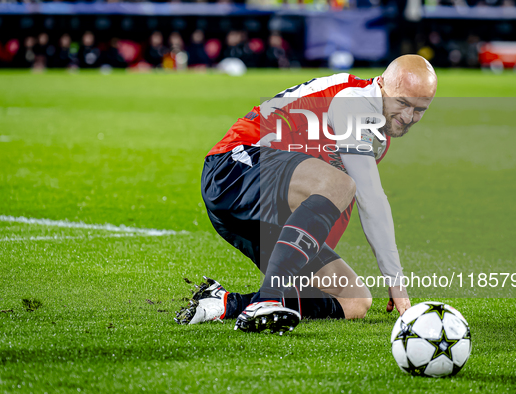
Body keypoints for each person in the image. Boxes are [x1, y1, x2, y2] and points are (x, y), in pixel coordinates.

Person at [176, 55, 438, 334]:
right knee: (343, 184)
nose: (409, 117)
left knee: (354, 299)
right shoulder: (355, 101)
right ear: (383, 84)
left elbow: (336, 204)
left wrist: (305, 263)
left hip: (265, 208)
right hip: (235, 166)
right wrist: (395, 280)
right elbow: (368, 197)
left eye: (420, 109)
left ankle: (223, 304)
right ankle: (268, 299)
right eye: (403, 103)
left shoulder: (376, 133)